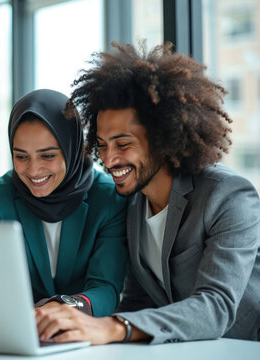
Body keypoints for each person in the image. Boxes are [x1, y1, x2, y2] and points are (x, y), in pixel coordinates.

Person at [35, 42, 260, 344]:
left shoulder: (228, 196)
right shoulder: (131, 204)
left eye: (124, 144)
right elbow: (138, 304)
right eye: (102, 144)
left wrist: (113, 328)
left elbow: (216, 307)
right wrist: (80, 334)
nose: (110, 159)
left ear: (163, 137)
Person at [0, 89, 127, 318]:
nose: (34, 170)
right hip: (16, 328)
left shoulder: (107, 197)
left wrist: (64, 309)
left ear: (71, 148)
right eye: (21, 156)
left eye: (47, 156)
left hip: (85, 334)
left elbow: (106, 288)